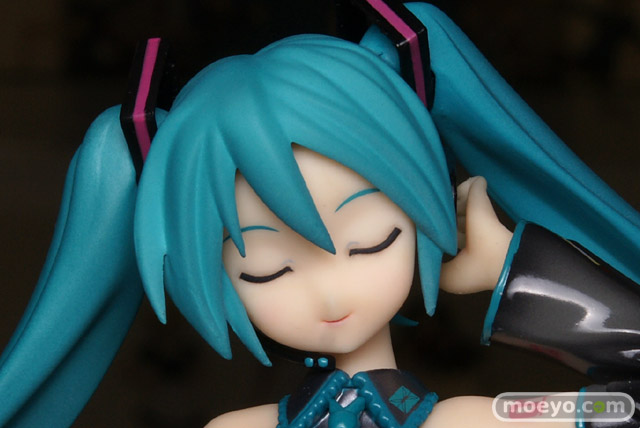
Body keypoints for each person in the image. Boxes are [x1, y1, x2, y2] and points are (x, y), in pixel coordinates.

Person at [0, 2, 638, 427]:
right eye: (267, 271)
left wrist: (519, 271)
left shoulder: (478, 420)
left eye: (371, 242)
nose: (329, 289)